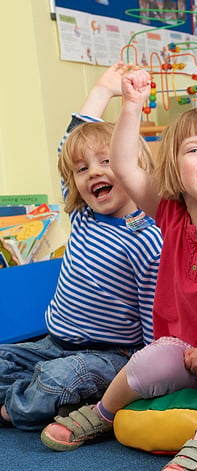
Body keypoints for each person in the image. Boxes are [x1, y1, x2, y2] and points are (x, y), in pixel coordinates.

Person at [40, 67, 197, 471]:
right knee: (150, 358)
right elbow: (122, 164)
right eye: (195, 150)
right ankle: (103, 413)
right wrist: (131, 105)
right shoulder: (171, 216)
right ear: (174, 169)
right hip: (187, 350)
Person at [0, 63, 162, 432]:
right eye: (83, 169)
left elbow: (154, 314)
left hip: (108, 354)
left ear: (132, 167)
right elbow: (68, 146)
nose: (94, 173)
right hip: (52, 342)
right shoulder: (82, 213)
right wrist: (103, 90)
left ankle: (15, 408)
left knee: (57, 381)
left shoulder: (146, 237)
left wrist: (150, 373)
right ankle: (30, 393)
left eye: (107, 162)